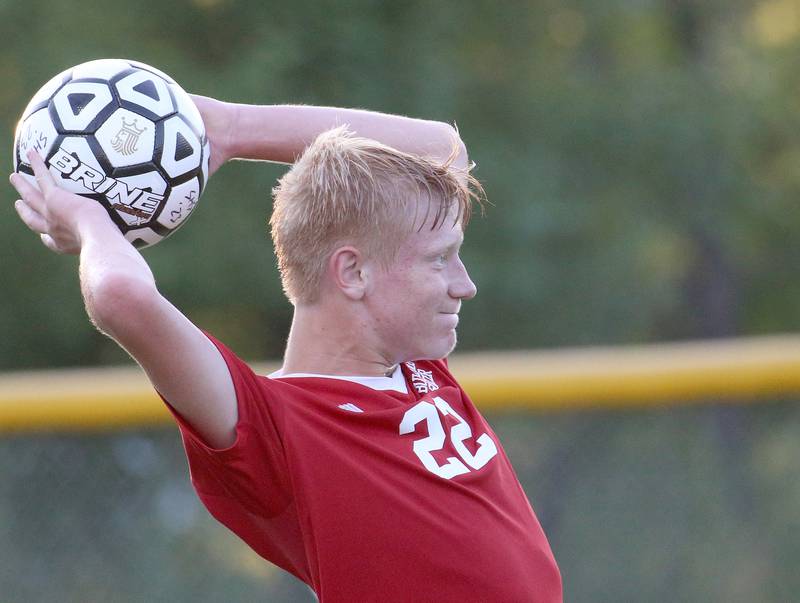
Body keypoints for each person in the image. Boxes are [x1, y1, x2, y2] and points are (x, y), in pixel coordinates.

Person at [10, 97, 562, 602]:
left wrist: (227, 129)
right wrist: (87, 219)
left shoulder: (417, 365)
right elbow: (119, 295)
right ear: (352, 272)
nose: (464, 284)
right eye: (440, 259)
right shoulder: (273, 424)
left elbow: (443, 149)